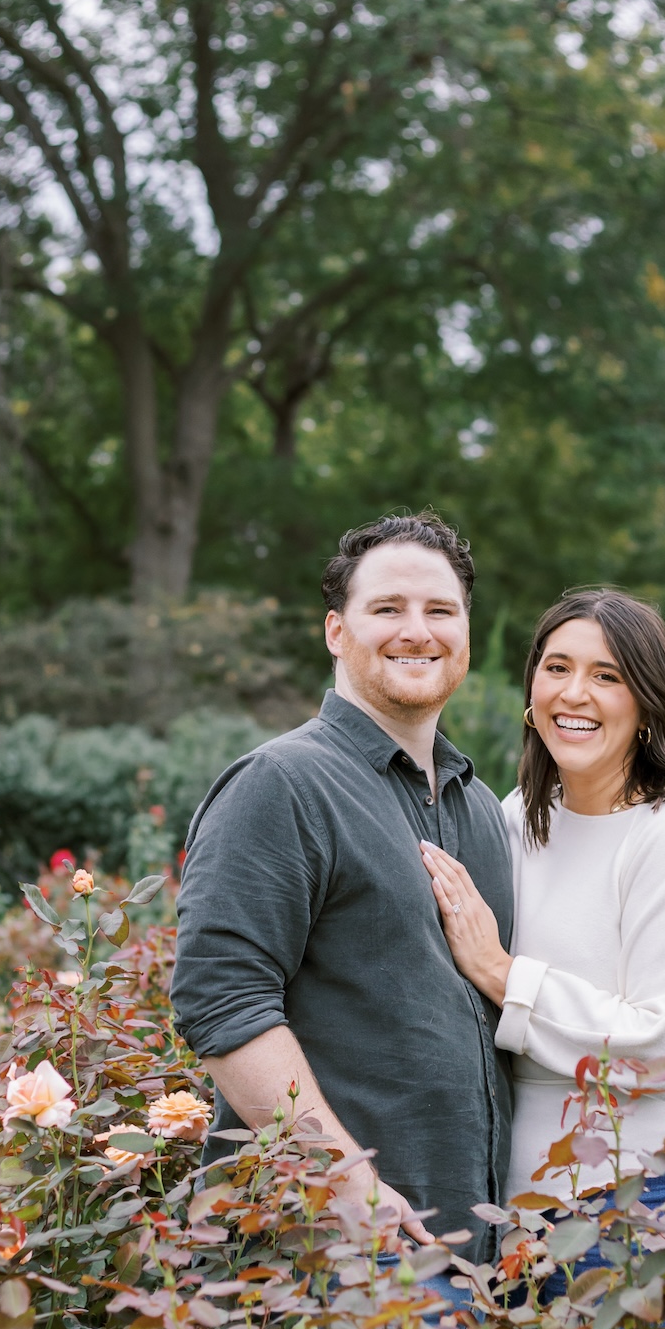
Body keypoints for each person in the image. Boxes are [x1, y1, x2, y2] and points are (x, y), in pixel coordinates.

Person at [171, 511, 513, 1252]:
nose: (416, 631)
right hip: (324, 1261)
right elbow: (221, 1001)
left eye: (440, 611)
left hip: (475, 1267)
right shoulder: (282, 784)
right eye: (387, 609)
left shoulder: (481, 809)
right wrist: (346, 1184)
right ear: (335, 631)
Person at [419, 588, 665, 1215]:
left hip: (657, 1194)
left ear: (648, 705)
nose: (574, 694)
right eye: (557, 668)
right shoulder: (516, 819)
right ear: (532, 695)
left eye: (607, 676)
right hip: (520, 1204)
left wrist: (500, 972)